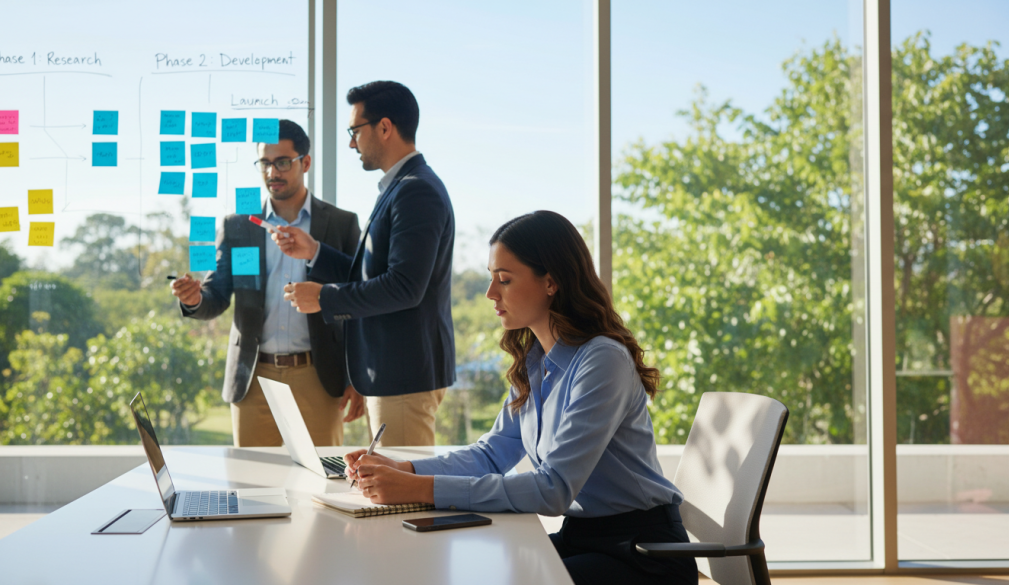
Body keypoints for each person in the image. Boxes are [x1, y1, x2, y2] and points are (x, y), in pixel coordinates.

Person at [340, 211, 698, 585]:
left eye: (504, 280)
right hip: (584, 539)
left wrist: (418, 489)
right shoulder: (535, 361)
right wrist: (404, 470)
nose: (490, 293)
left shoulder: (602, 359)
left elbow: (553, 489)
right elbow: (491, 455)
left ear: (551, 282)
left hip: (642, 555)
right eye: (491, 278)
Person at [272, 81, 455, 447]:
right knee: (392, 491)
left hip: (403, 377)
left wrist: (325, 298)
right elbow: (374, 274)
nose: (351, 143)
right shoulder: (400, 187)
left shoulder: (415, 190)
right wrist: (316, 253)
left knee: (403, 497)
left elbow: (404, 287)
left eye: (355, 130)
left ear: (384, 128)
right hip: (393, 377)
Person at [170, 119, 364, 447]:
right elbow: (216, 295)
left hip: (319, 377)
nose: (273, 172)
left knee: (321, 487)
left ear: (305, 162)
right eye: (265, 163)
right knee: (251, 488)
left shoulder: (341, 223)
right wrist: (193, 300)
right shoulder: (238, 227)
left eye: (283, 162)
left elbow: (359, 300)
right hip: (253, 378)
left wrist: (356, 378)